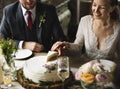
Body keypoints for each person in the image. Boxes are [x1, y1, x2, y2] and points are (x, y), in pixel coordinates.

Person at [51, 0, 120, 87]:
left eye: (102, 7)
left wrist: (115, 77)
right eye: (94, 5)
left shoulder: (118, 28)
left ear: (112, 8)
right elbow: (78, 48)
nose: (96, 10)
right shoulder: (85, 21)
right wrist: (66, 45)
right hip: (84, 68)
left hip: (107, 74)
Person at [0, 0, 66, 52]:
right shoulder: (9, 12)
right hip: (19, 59)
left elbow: (60, 38)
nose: (29, 1)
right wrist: (23, 45)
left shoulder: (49, 10)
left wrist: (58, 46)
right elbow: (2, 39)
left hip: (44, 57)